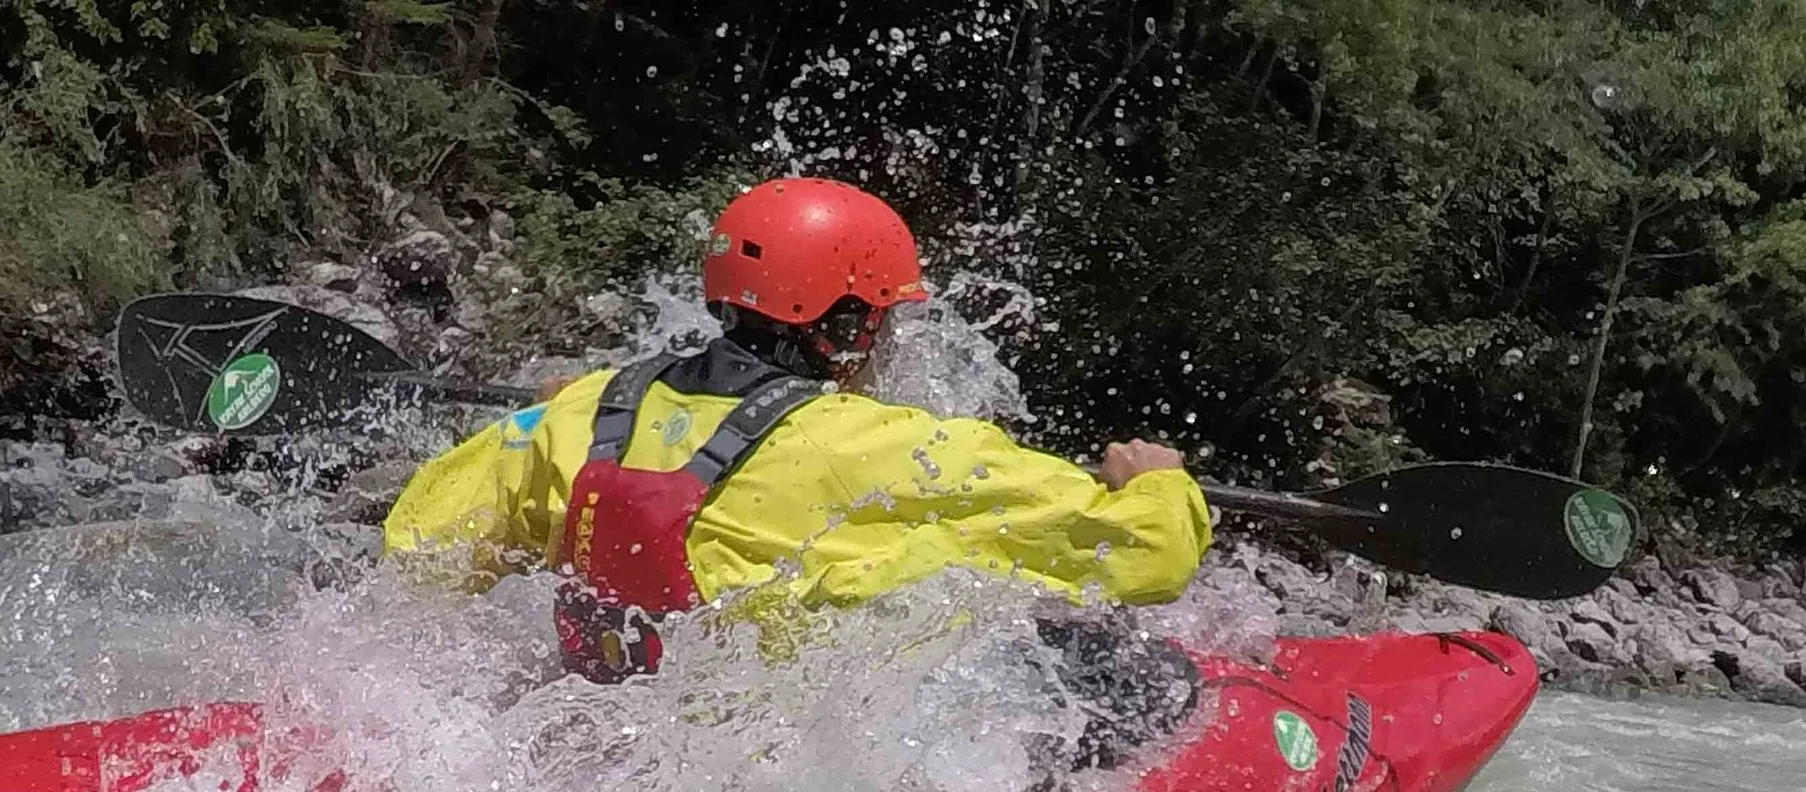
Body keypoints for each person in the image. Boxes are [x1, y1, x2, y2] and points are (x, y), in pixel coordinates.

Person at [381, 177, 1211, 683]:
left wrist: (550, 415)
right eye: (882, 319)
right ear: (845, 329)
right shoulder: (881, 448)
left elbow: (415, 554)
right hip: (757, 788)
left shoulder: (588, 412)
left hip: (590, 734)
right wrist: (1157, 479)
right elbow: (1147, 553)